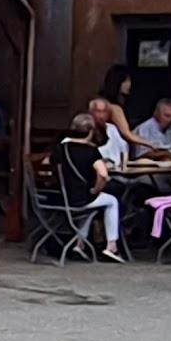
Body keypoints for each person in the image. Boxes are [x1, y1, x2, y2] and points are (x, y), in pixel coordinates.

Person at [49, 112, 125, 263]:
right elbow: (103, 174)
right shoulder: (91, 151)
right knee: (112, 201)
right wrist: (96, 190)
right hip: (81, 198)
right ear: (91, 132)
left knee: (88, 210)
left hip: (62, 198)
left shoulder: (60, 148)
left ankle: (79, 244)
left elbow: (47, 163)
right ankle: (111, 247)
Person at [94, 65, 170, 158]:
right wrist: (150, 144)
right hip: (111, 149)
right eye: (127, 81)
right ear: (119, 82)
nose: (129, 84)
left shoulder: (98, 102)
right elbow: (127, 134)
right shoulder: (113, 108)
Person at [88, 97, 128, 167]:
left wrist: (123, 165)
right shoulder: (86, 129)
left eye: (104, 112)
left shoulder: (112, 128)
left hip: (117, 170)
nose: (101, 116)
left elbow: (124, 147)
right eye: (98, 111)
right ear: (91, 112)